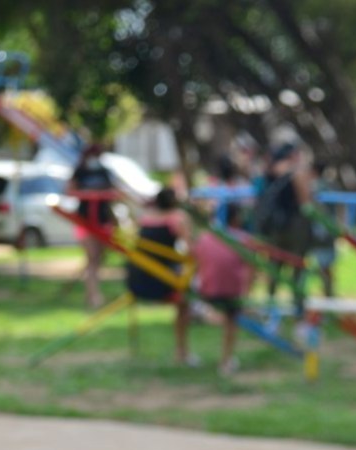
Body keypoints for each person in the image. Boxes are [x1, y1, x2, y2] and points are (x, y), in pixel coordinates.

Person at [129, 187, 194, 365]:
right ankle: (182, 351)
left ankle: (182, 350)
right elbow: (190, 250)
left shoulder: (145, 218)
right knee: (185, 301)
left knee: (186, 293)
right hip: (161, 280)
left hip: (136, 278)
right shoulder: (177, 218)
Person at [193, 204, 255, 375]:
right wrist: (246, 294)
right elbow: (252, 268)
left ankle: (184, 350)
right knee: (231, 318)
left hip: (205, 291)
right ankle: (226, 360)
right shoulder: (243, 239)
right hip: (230, 294)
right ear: (236, 219)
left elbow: (196, 260)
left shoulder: (204, 237)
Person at [254, 141, 313, 316]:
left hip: (274, 227)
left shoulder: (269, 170)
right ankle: (298, 306)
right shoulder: (296, 171)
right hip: (295, 225)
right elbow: (305, 200)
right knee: (297, 265)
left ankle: (270, 305)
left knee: (275, 266)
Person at [67, 144, 116, 308]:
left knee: (98, 259)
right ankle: (94, 296)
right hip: (85, 221)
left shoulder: (103, 171)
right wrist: (88, 195)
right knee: (92, 258)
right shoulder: (80, 171)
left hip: (103, 220)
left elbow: (113, 190)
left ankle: (92, 293)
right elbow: (69, 189)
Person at [309, 160, 337, 297]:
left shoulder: (315, 187)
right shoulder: (330, 186)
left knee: (322, 264)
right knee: (326, 265)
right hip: (329, 228)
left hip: (320, 230)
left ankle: (328, 293)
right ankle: (329, 292)